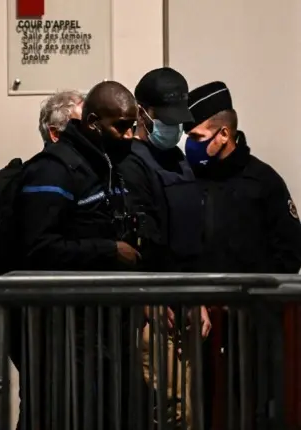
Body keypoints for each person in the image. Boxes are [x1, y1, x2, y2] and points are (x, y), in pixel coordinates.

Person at [13, 80, 140, 430]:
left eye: (133, 126)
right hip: (61, 327)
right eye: (121, 127)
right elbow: (38, 247)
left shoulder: (102, 166)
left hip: (100, 324)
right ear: (94, 122)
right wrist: (109, 250)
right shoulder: (53, 169)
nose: (129, 136)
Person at [185, 81, 301, 428]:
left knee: (256, 407)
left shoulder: (263, 181)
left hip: (254, 323)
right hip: (200, 323)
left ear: (224, 134)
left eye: (198, 136)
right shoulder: (186, 178)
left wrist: (252, 297)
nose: (190, 143)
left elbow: (290, 252)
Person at [118, 67, 210, 430]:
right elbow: (135, 242)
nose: (173, 127)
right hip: (153, 313)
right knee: (171, 411)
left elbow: (190, 237)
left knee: (190, 412)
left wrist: (197, 297)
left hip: (183, 305)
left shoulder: (180, 162)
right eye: (165, 118)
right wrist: (147, 297)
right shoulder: (131, 163)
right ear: (142, 113)